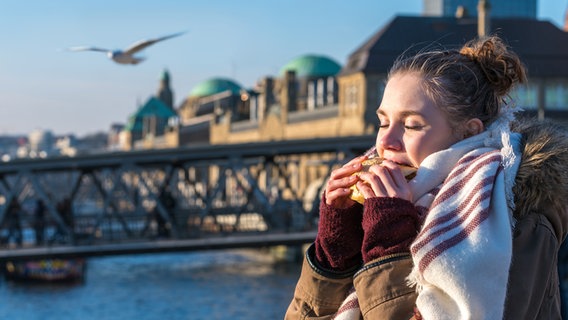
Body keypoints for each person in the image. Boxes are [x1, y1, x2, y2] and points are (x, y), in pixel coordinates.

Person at [285, 35, 568, 319]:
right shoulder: (381, 205)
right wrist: (335, 251)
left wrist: (389, 244)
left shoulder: (515, 216)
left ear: (469, 131)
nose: (386, 142)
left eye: (411, 125)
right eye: (383, 122)